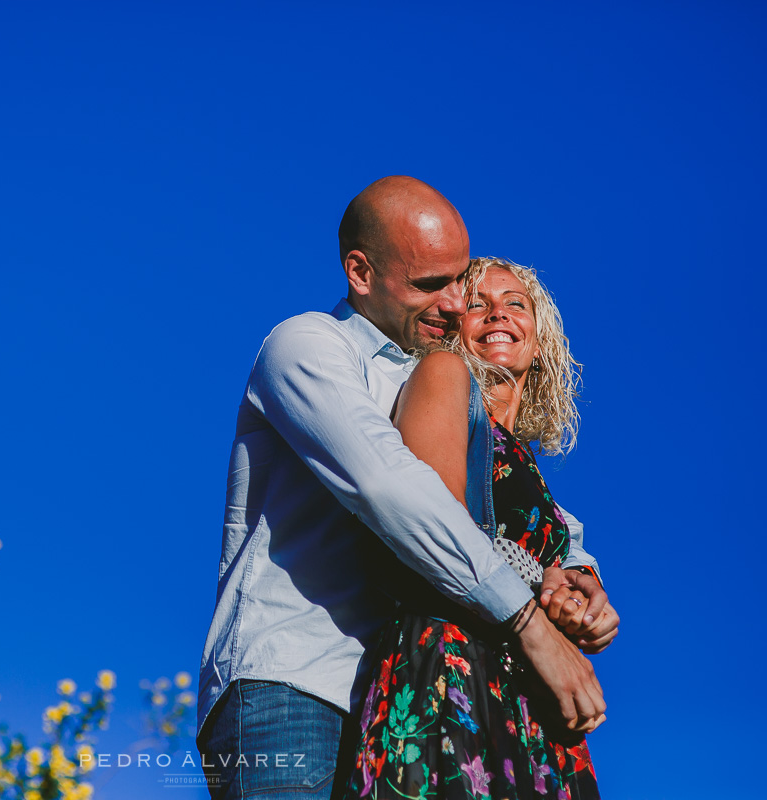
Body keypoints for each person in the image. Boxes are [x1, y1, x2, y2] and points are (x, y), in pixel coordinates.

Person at [196, 178, 614, 800]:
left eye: (457, 281)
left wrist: (576, 572)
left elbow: (523, 511)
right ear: (360, 272)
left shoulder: (432, 376)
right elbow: (392, 487)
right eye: (430, 285)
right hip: (296, 685)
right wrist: (530, 623)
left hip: (388, 695)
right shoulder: (308, 347)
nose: (453, 303)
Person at [340, 258, 617, 799]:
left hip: (533, 698)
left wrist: (580, 599)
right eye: (476, 303)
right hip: (452, 668)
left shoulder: (526, 464)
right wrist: (539, 587)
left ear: (539, 344)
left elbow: (541, 558)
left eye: (516, 303)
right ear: (452, 327)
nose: (498, 314)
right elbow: (438, 526)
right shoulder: (442, 373)